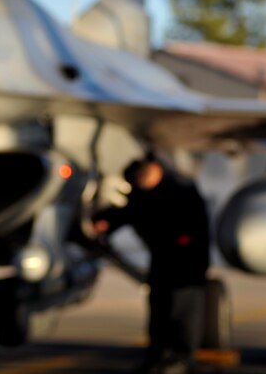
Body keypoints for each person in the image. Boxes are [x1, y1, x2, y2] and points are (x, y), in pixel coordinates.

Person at [93, 155, 210, 374]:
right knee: (159, 311)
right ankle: (158, 358)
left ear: (154, 170)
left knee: (182, 312)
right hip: (163, 262)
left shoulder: (181, 191)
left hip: (187, 265)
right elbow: (128, 212)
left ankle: (182, 359)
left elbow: (193, 230)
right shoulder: (145, 194)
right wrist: (105, 222)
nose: (137, 183)